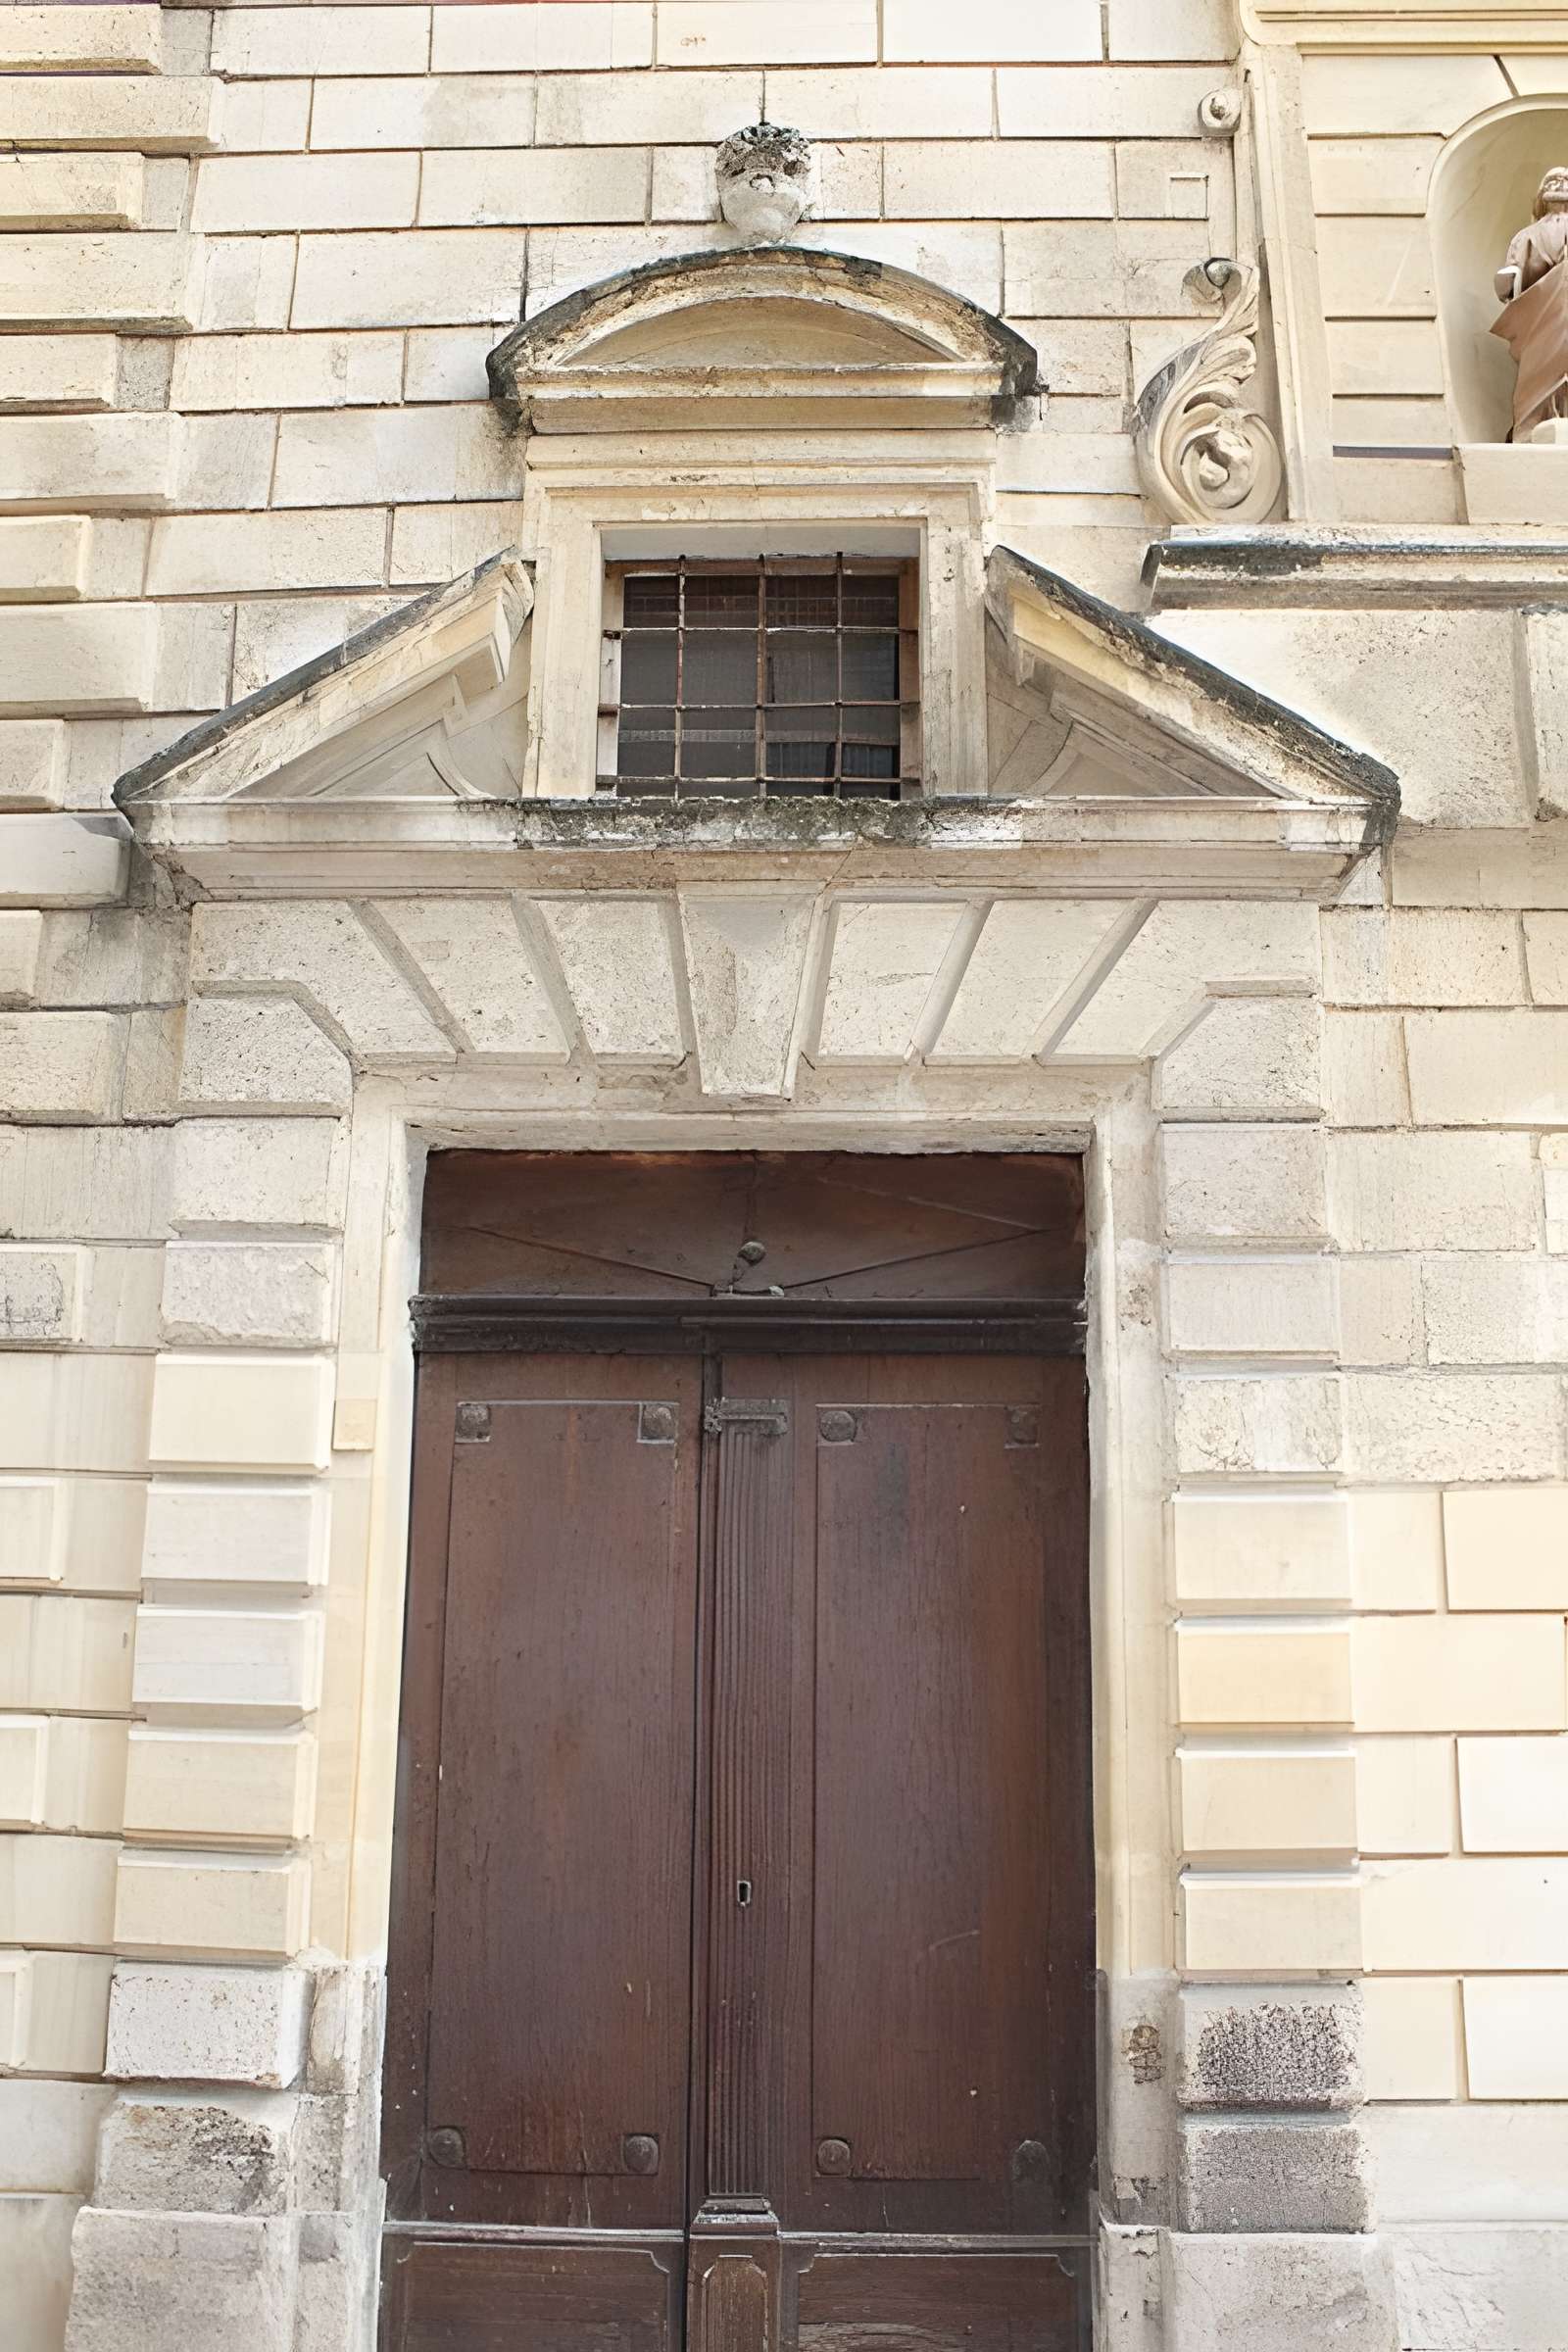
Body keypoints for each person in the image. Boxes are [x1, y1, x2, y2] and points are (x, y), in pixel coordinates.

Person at [1493, 167, 1568, 439]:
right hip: (1540, 317)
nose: (1559, 184)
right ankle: (1533, 425)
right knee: (1537, 376)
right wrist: (1507, 280)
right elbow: (1514, 268)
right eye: (1552, 179)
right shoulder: (1528, 235)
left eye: (1565, 180)